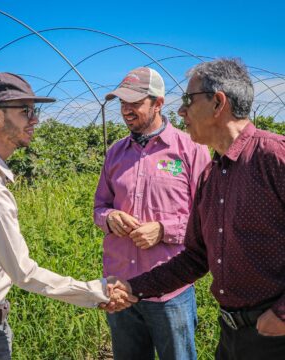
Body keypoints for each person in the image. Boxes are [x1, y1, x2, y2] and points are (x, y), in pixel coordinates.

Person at [0, 72, 135, 359]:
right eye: (25, 111)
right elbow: (23, 273)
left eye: (34, 110)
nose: (34, 119)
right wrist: (95, 292)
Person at [110, 59, 285, 360]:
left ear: (218, 103)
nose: (181, 112)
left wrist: (282, 313)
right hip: (233, 333)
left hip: (275, 334)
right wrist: (132, 287)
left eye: (189, 101)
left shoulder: (273, 157)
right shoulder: (212, 174)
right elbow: (194, 257)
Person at [94, 67, 210, 360]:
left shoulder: (191, 149)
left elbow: (208, 219)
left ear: (158, 103)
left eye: (134, 103)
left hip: (170, 289)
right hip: (120, 286)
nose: (126, 110)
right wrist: (109, 218)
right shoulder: (115, 153)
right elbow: (99, 207)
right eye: (122, 103)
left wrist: (164, 229)